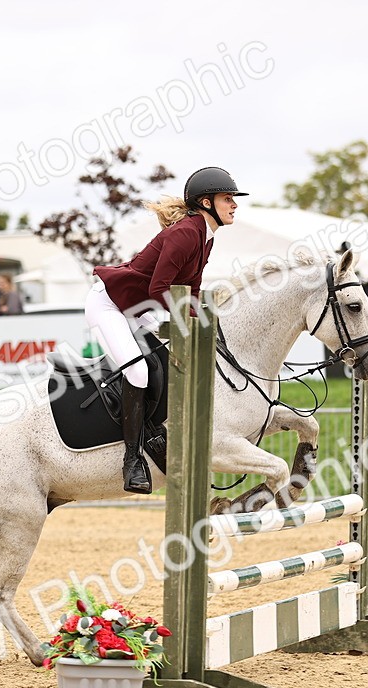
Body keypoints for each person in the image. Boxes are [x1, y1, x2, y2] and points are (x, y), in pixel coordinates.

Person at [87, 165, 245, 494]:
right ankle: (132, 460)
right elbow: (162, 287)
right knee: (139, 373)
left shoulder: (205, 238)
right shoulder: (186, 233)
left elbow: (192, 290)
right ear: (206, 203)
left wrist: (205, 321)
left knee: (172, 366)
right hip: (111, 305)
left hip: (138, 308)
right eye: (228, 198)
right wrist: (191, 318)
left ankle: (158, 436)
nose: (234, 205)